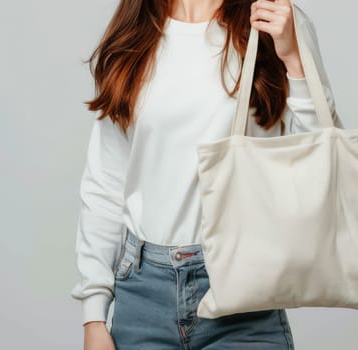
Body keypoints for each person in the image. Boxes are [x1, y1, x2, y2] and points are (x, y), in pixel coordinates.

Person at [70, 0, 341, 349]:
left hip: (243, 295)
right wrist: (94, 315)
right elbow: (105, 184)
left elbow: (324, 158)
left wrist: (294, 58)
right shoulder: (135, 33)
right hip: (142, 297)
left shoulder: (274, 21)